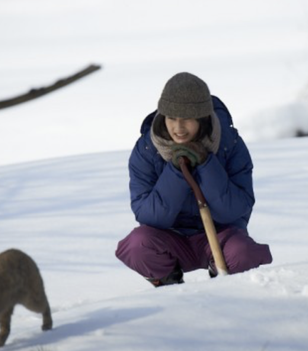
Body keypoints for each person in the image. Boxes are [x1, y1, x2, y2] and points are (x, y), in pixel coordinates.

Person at [115, 72, 272, 287]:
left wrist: (207, 164)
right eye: (171, 118)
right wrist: (177, 171)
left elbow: (236, 210)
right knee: (136, 245)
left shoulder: (229, 144)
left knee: (242, 253)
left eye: (187, 119)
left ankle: (224, 285)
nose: (178, 129)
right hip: (169, 238)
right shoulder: (147, 149)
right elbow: (148, 217)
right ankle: (170, 289)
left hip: (219, 236)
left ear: (202, 118)